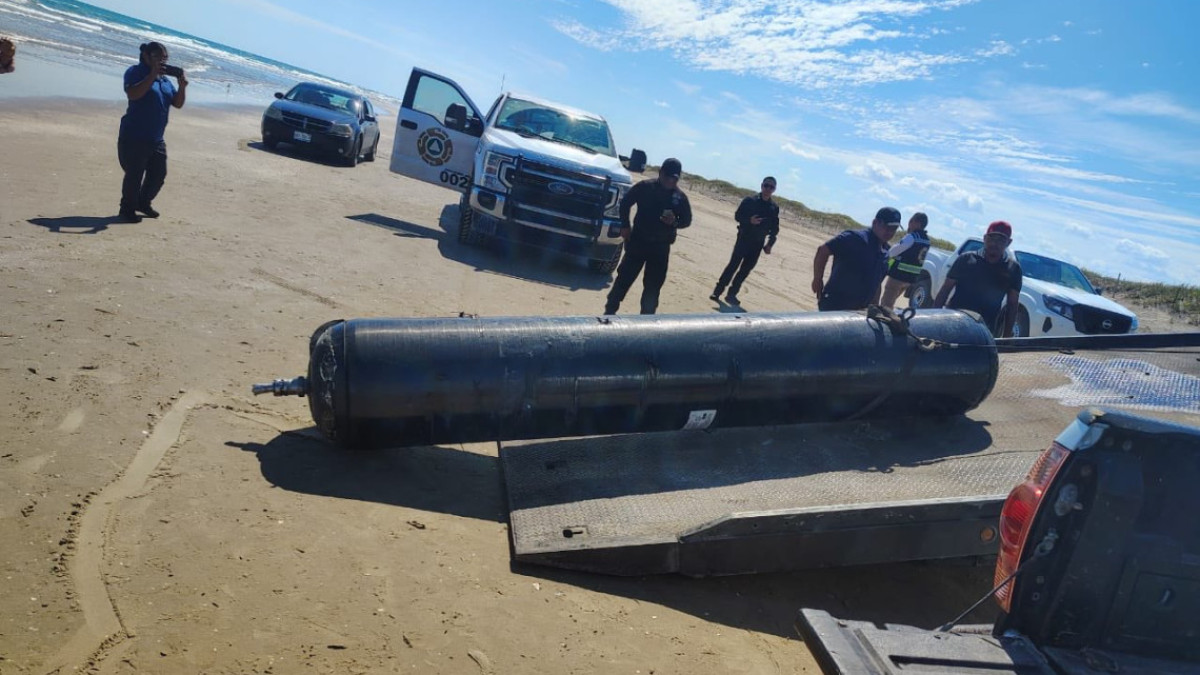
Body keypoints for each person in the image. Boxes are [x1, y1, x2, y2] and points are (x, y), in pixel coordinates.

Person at [604, 158, 693, 315]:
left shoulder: (679, 198)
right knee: (624, 279)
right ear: (660, 173)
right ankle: (609, 313)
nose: (670, 181)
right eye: (667, 177)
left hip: (660, 248)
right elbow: (625, 203)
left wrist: (674, 222)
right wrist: (625, 225)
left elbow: (687, 221)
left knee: (653, 288)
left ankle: (647, 320)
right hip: (638, 241)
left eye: (674, 178)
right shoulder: (645, 187)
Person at [117, 41, 187, 223]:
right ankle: (127, 209)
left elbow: (178, 103)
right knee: (134, 175)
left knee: (158, 175)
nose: (162, 61)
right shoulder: (135, 72)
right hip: (134, 135)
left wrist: (182, 87)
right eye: (158, 57)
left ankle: (143, 202)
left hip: (156, 138)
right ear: (146, 56)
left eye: (165, 58)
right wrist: (151, 75)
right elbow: (133, 94)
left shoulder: (165, 81)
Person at [933, 221, 1023, 337]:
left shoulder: (1013, 269)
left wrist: (1006, 337)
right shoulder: (966, 259)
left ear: (1009, 242)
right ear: (985, 238)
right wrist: (934, 320)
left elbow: (1012, 304)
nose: (994, 243)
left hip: (984, 332)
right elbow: (945, 290)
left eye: (1001, 240)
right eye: (991, 238)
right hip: (953, 324)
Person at [811, 207, 899, 311]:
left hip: (859, 310)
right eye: (887, 227)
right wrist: (818, 279)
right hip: (835, 304)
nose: (890, 232)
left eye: (894, 229)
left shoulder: (886, 252)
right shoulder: (855, 238)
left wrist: (874, 307)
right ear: (875, 223)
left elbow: (877, 283)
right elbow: (823, 251)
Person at [709, 176, 780, 306]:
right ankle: (717, 292)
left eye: (771, 187)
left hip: (758, 244)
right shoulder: (750, 200)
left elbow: (775, 229)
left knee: (745, 271)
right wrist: (749, 221)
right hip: (744, 239)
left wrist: (770, 244)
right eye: (766, 185)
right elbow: (737, 216)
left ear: (774, 190)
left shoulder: (774, 208)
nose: (768, 189)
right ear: (762, 185)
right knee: (732, 266)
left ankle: (731, 295)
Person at [879, 212, 931, 309]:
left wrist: (885, 255)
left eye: (911, 221)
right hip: (911, 278)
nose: (909, 223)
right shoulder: (927, 240)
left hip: (898, 275)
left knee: (886, 304)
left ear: (918, 223)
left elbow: (895, 250)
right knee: (891, 302)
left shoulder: (912, 237)